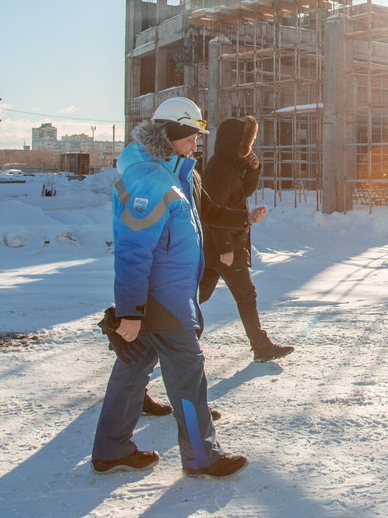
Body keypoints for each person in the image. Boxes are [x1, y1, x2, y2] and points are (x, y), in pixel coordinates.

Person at [91, 97, 262, 477]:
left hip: (164, 294)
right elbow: (133, 250)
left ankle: (111, 449)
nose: (196, 144)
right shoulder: (149, 179)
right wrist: (131, 311)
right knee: (188, 372)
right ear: (171, 133)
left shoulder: (169, 173)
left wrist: (243, 218)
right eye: (191, 136)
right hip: (161, 298)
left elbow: (202, 216)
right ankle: (203, 457)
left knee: (131, 371)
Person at [200, 115, 293, 363]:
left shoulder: (227, 165)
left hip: (220, 245)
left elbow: (243, 191)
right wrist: (226, 248)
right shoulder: (219, 170)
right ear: (233, 141)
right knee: (246, 296)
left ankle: (167, 334)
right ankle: (261, 347)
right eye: (245, 142)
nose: (248, 147)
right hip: (225, 245)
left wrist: (254, 169)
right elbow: (213, 214)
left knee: (198, 294)